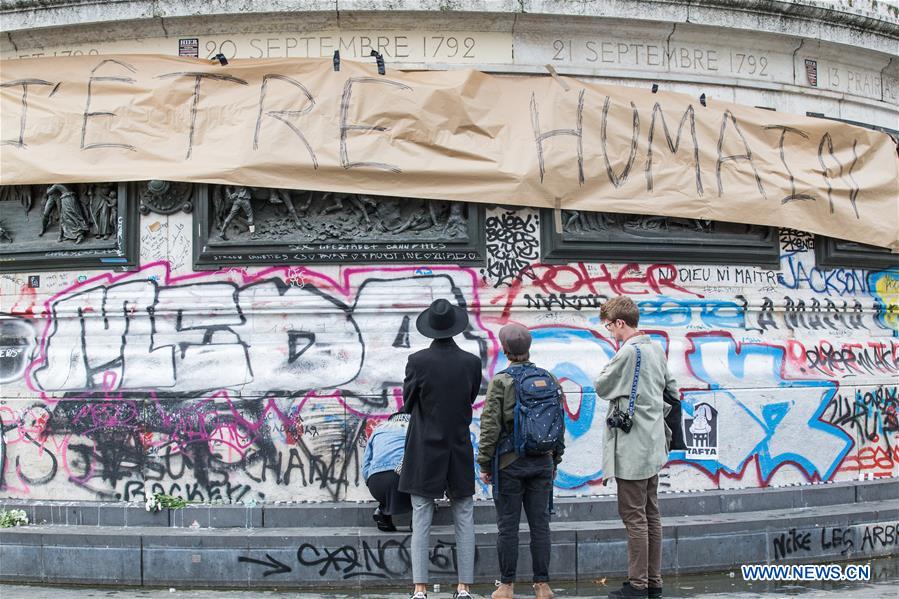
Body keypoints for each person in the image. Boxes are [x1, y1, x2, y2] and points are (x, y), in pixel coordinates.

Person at [595, 296, 678, 599]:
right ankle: (653, 581)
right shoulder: (655, 347)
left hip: (632, 448)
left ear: (621, 323)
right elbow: (673, 389)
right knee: (651, 513)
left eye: (610, 326)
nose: (610, 332)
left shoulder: (628, 352)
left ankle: (638, 585)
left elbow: (602, 385)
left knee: (633, 517)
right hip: (654, 444)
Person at [399, 298, 482, 599]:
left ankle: (420, 588)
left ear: (430, 328)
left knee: (421, 513)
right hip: (458, 444)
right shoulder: (472, 362)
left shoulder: (417, 361)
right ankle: (464, 587)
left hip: (424, 446)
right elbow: (470, 398)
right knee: (464, 513)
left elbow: (408, 403)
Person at [478, 323, 564, 599]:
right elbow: (557, 422)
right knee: (540, 525)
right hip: (542, 463)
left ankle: (506, 586)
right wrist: (555, 460)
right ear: (528, 349)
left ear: (505, 350)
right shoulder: (547, 377)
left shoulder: (502, 381)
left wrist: (484, 463)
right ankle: (543, 585)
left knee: (508, 526)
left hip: (508, 465)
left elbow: (490, 426)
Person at [362, 412, 412, 532]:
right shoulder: (415, 427)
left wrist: (369, 481)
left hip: (376, 483)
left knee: (388, 492)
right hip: (404, 481)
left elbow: (366, 464)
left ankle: (383, 511)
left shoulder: (378, 429)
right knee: (420, 499)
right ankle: (417, 519)